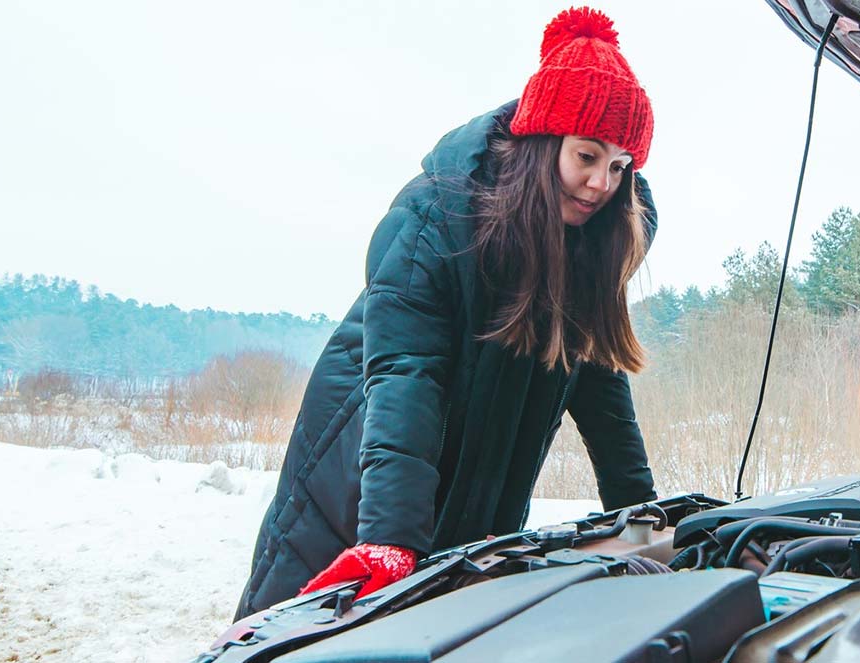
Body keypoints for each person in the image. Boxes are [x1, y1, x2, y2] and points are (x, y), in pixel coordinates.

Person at [235, 6, 660, 619]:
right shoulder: (440, 217)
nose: (601, 183)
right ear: (544, 143)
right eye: (587, 156)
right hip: (365, 473)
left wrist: (641, 512)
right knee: (308, 630)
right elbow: (407, 374)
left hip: (480, 475)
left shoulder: (588, 246)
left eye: (619, 167)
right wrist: (388, 536)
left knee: (443, 626)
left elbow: (598, 387)